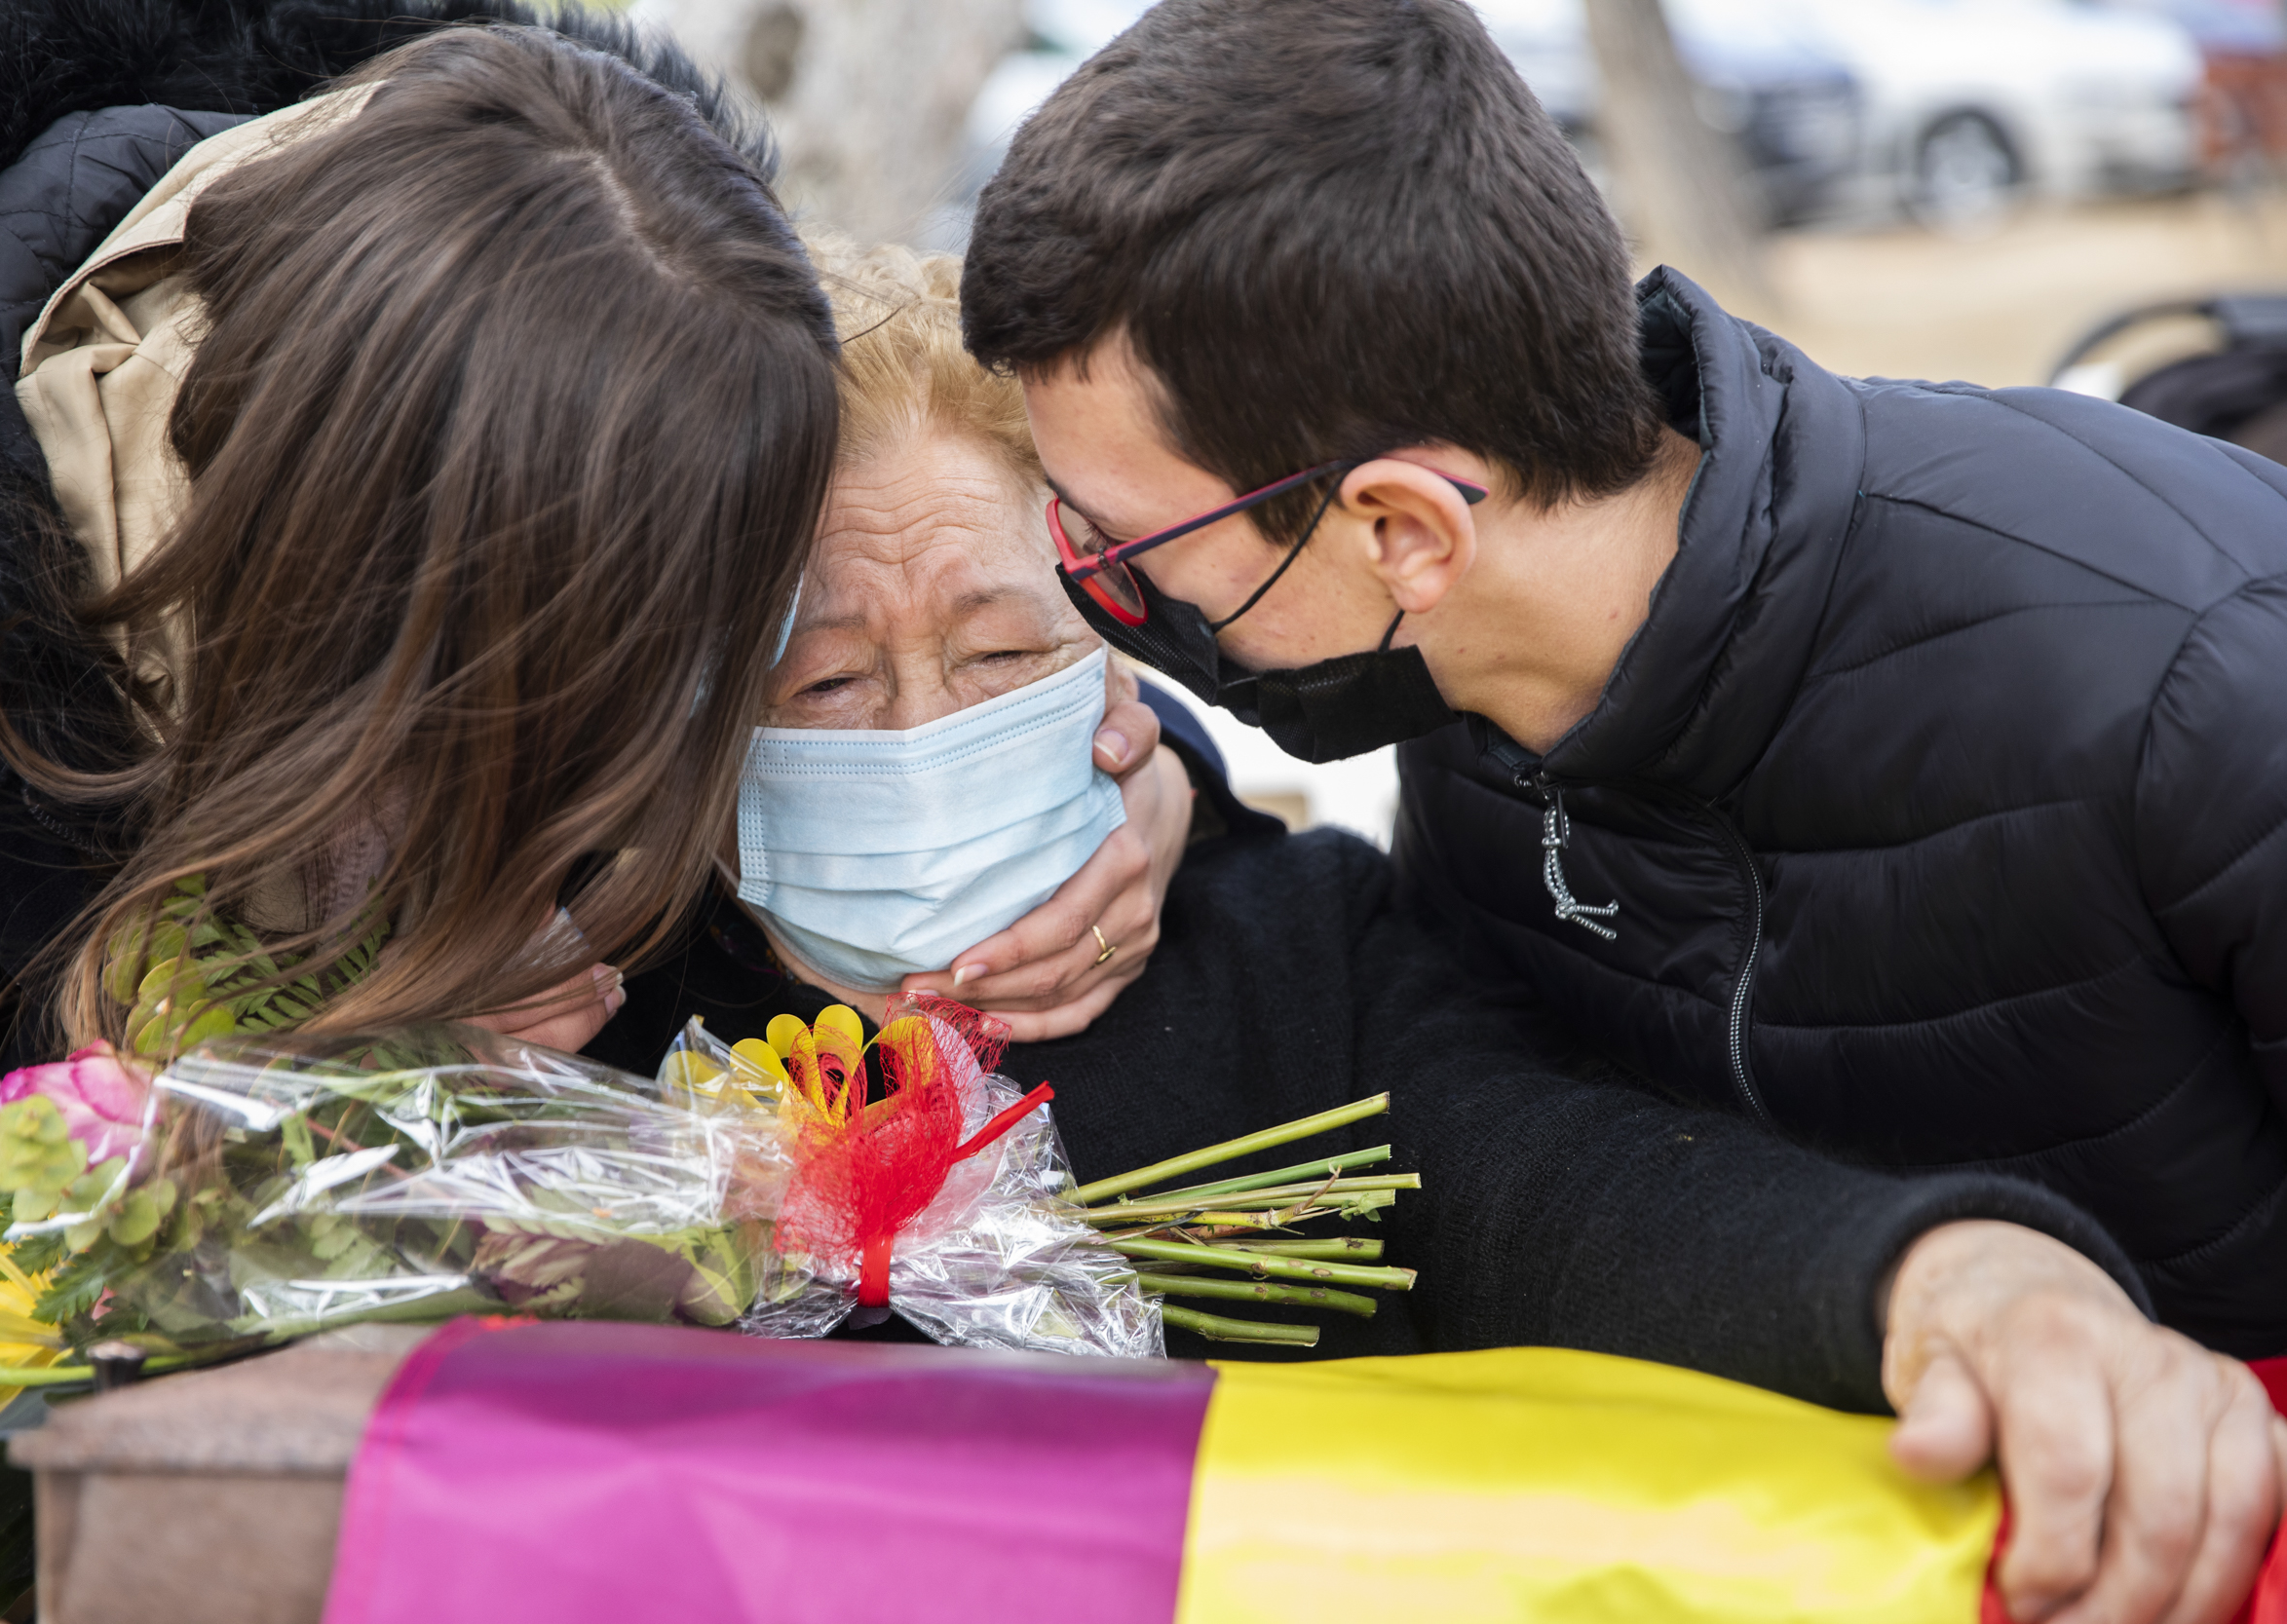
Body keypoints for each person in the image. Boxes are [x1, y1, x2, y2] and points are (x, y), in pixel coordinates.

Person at [586, 242, 2279, 1615]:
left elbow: (1553, 1184)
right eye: (825, 679)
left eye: (998, 656)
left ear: (1114, 647)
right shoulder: (555, 1006)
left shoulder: (1292, 942)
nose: (915, 731)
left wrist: (1949, 1278)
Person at [955, 3, 2287, 1618]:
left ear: (1402, 532)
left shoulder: (2201, 681)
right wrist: (1179, 790)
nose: (1106, 601)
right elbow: (1515, 1125)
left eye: (1119, 546)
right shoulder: (1468, 681)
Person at [0, 0, 1183, 1288]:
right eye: (592, 693)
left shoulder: (649, 311)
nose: (642, 759)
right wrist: (287, 1120)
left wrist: (1122, 782)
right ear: (380, 611)